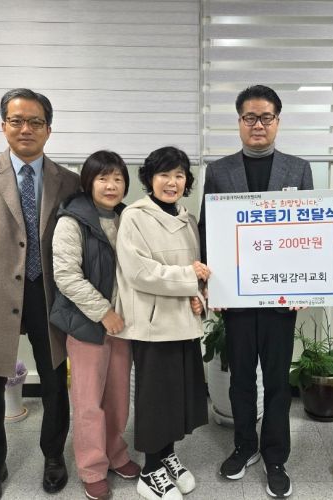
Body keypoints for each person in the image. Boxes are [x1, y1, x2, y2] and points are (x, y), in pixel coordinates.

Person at [0, 88, 80, 500]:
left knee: (55, 379)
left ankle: (54, 456)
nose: (26, 129)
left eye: (36, 121)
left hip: (48, 294)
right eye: (17, 120)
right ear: (3, 125)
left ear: (48, 129)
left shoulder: (69, 181)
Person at [198, 84, 313, 498]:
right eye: (250, 117)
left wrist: (306, 284)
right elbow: (208, 230)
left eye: (266, 117)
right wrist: (212, 287)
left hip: (282, 297)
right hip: (238, 297)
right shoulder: (219, 171)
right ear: (240, 122)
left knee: (278, 380)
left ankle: (275, 456)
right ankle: (245, 445)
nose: (258, 124)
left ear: (277, 121)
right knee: (241, 377)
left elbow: (309, 230)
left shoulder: (298, 169)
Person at [115, 146, 208, 500]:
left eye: (179, 175)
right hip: (153, 324)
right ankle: (150, 470)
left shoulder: (188, 219)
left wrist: (198, 297)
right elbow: (139, 272)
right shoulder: (135, 216)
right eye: (164, 174)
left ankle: (167, 455)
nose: (172, 182)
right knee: (155, 398)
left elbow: (198, 272)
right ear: (149, 179)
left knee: (178, 396)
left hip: (184, 321)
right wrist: (189, 277)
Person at [51, 150, 140, 500]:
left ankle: (116, 454)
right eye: (103, 178)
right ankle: (91, 467)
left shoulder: (128, 218)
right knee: (88, 401)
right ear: (88, 182)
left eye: (118, 178)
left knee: (118, 396)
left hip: (123, 325)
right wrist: (104, 312)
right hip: (88, 324)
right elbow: (66, 276)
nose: (111, 185)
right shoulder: (72, 220)